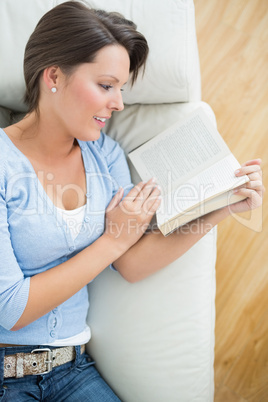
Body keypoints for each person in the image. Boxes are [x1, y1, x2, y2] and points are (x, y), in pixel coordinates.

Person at [0, 1, 264, 401]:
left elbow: (132, 263)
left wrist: (222, 206)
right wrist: (111, 241)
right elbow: (11, 308)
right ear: (53, 75)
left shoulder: (105, 156)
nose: (118, 104)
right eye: (106, 86)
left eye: (121, 89)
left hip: (73, 371)